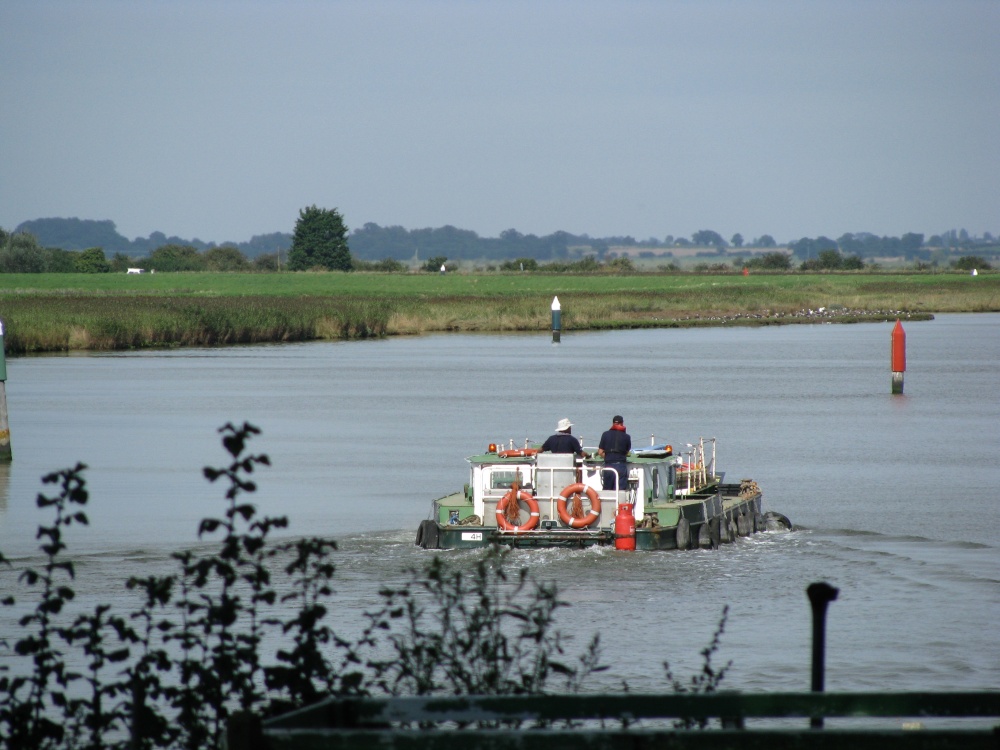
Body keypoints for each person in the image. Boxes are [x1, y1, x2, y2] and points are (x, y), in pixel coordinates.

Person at [598, 415, 631, 491]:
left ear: (613, 424)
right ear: (622, 424)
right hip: (620, 465)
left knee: (607, 490)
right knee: (620, 490)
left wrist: (607, 457)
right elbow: (627, 452)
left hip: (608, 465)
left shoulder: (605, 434)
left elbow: (600, 452)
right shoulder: (627, 437)